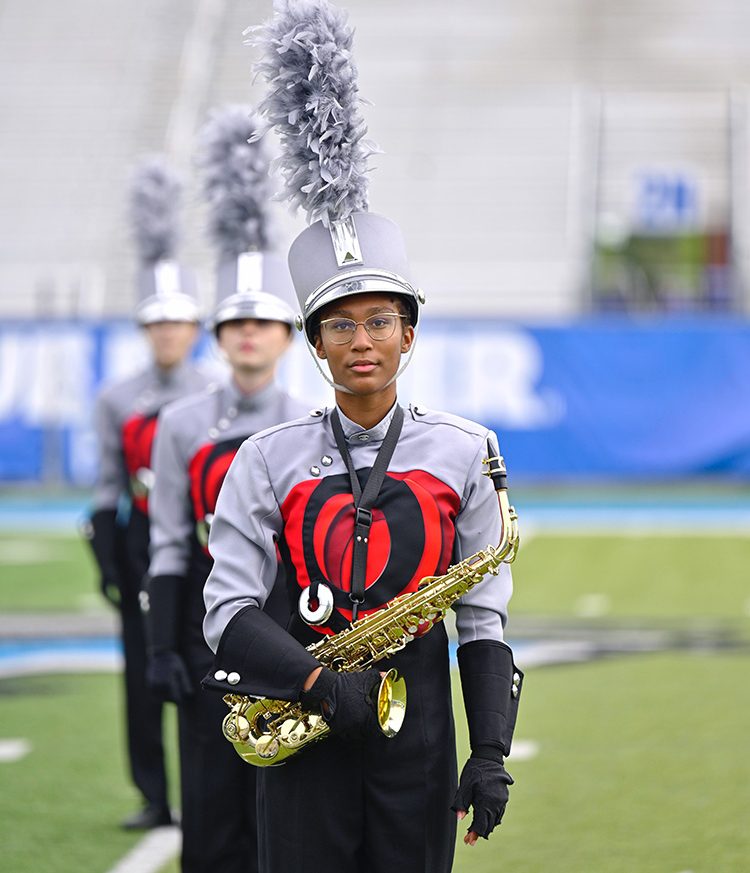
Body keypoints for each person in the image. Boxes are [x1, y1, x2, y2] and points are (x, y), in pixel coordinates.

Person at [201, 3, 523, 872]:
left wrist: (489, 749)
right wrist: (318, 681)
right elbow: (227, 609)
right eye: (339, 326)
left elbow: (482, 617)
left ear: (409, 334)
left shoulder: (466, 449)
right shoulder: (264, 457)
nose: (362, 341)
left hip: (417, 739)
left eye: (381, 320)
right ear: (314, 345)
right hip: (302, 718)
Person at [145, 106, 308, 873]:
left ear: (288, 337)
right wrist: (162, 646)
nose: (249, 333)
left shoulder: (310, 422)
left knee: (286, 814)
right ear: (216, 336)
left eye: (265, 322)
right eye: (235, 323)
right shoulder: (180, 423)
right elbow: (170, 540)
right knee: (211, 818)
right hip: (203, 638)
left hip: (290, 633)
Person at [84, 157, 209, 830]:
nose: (167, 334)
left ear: (195, 329)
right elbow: (108, 481)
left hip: (201, 542)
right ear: (144, 330)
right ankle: (153, 793)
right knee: (142, 671)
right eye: (156, 324)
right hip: (141, 541)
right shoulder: (116, 397)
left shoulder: (214, 393)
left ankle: (210, 787)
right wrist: (109, 557)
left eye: (178, 323)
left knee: (207, 664)